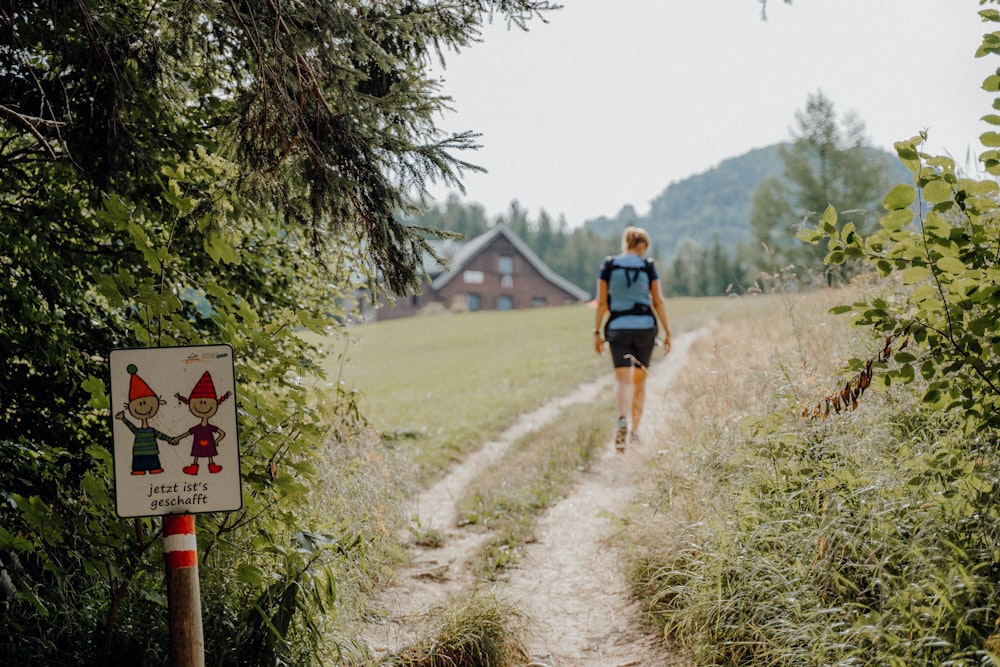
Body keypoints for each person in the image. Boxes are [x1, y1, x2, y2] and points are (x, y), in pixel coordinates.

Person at [593, 226, 671, 451]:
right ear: (643, 245)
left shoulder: (608, 265)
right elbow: (658, 302)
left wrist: (597, 333)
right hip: (645, 329)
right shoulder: (648, 266)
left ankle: (622, 420)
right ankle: (635, 431)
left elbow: (602, 303)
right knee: (639, 382)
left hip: (618, 328)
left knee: (622, 380)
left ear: (625, 243)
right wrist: (667, 333)